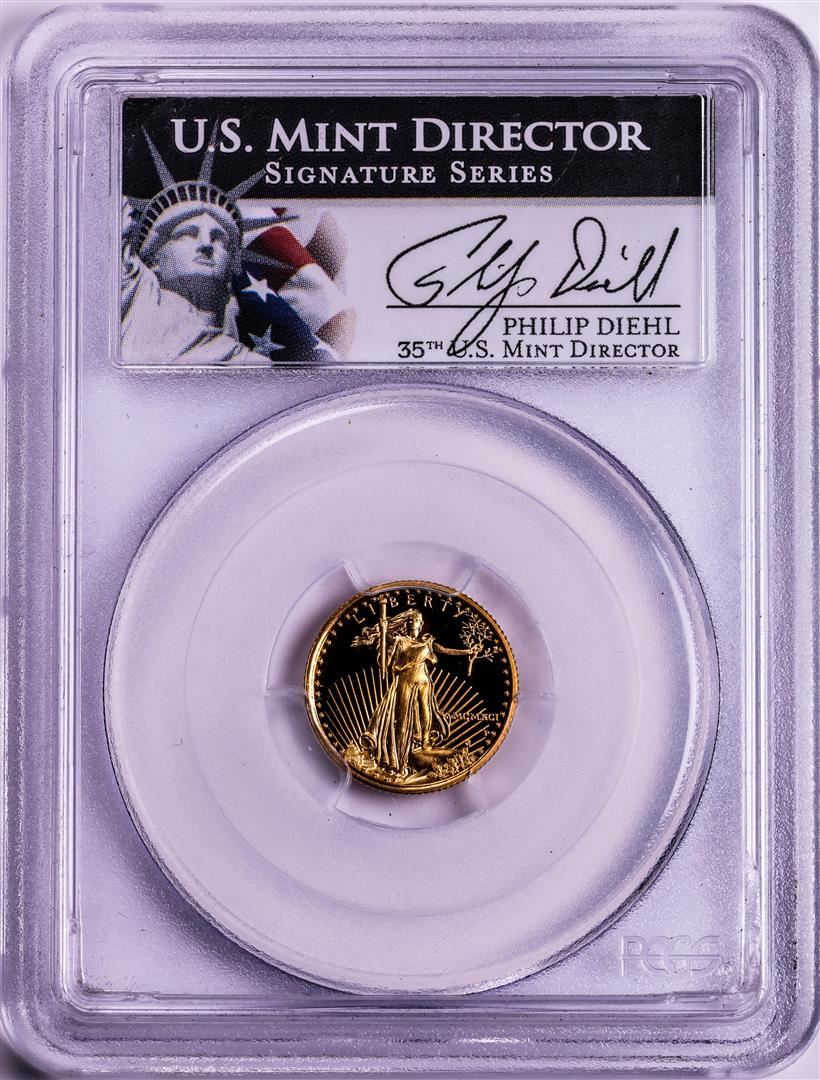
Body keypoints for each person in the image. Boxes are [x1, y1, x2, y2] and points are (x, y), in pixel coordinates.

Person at [354, 608, 477, 776]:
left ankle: (425, 744)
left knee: (426, 713)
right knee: (402, 720)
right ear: (406, 624)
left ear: (421, 624)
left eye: (416, 620)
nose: (413, 623)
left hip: (424, 682)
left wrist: (467, 652)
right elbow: (385, 658)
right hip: (405, 682)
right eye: (410, 620)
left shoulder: (427, 641)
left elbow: (444, 650)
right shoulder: (400, 641)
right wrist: (383, 631)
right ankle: (399, 760)